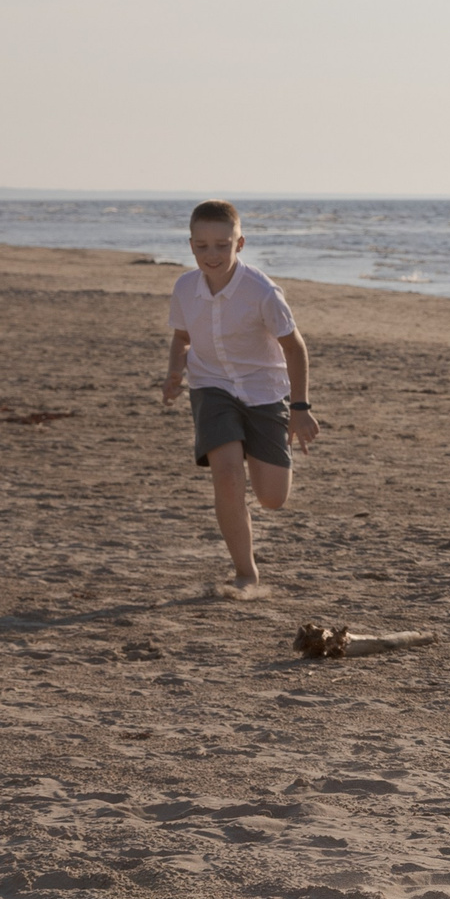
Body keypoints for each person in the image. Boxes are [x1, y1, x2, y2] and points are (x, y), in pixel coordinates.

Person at [158, 201, 324, 600]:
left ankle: (255, 447)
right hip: (211, 387)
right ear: (191, 245)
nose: (211, 256)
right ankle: (245, 572)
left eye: (221, 245)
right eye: (202, 246)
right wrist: (175, 374)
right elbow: (182, 338)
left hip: (264, 392)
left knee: (271, 498)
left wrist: (299, 408)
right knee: (228, 475)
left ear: (240, 243)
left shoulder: (261, 292)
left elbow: (295, 349)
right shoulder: (184, 288)